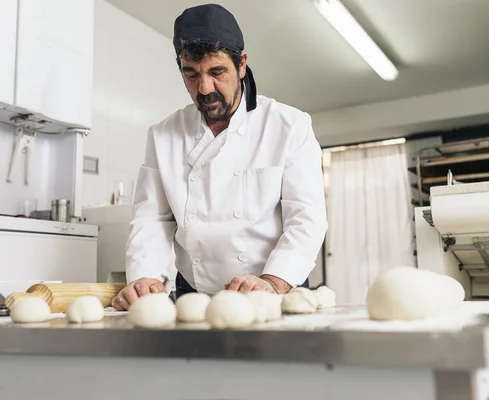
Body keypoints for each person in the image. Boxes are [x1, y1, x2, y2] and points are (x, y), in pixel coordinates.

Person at [111, 4, 328, 310]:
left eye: (217, 72)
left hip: (274, 290)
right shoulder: (163, 135)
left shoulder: (288, 126)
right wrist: (145, 277)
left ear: (241, 65)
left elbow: (307, 218)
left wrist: (275, 281)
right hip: (195, 297)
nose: (204, 88)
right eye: (191, 74)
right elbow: (153, 219)